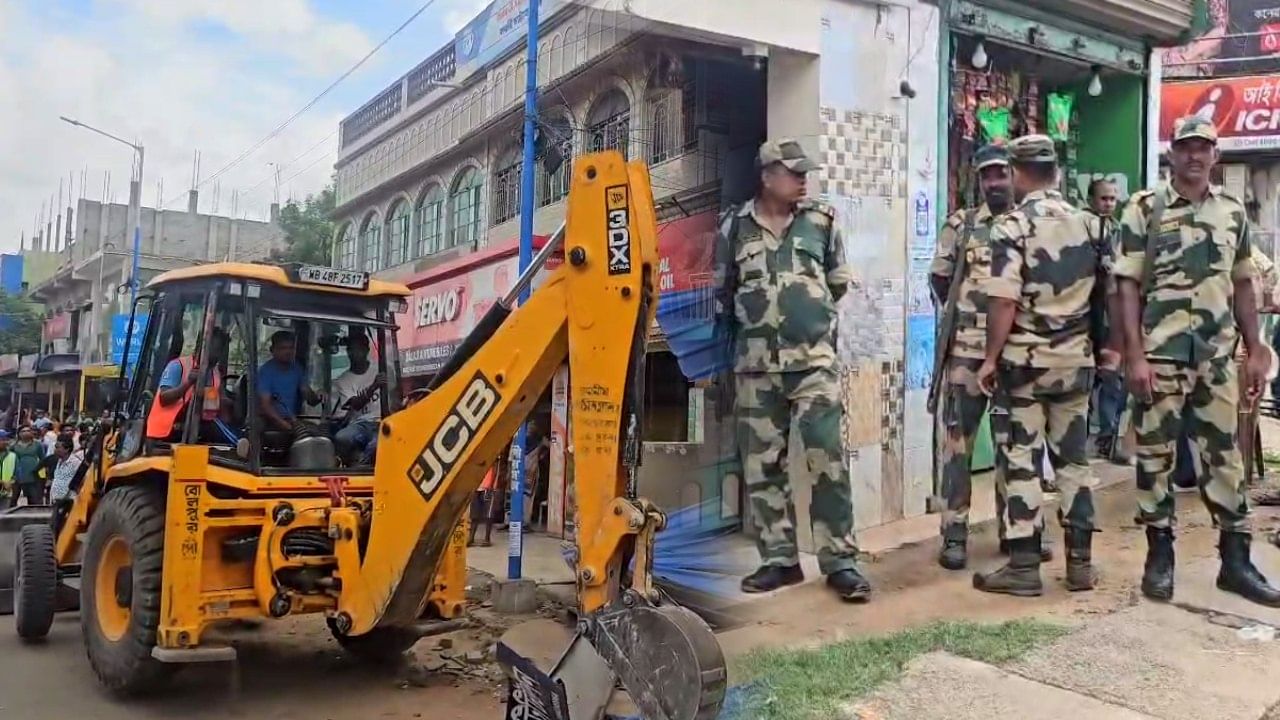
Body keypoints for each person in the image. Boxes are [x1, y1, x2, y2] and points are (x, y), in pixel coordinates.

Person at [1115, 116, 1280, 607]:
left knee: (1224, 458)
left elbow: (1243, 283)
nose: (1193, 155)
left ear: (1215, 155)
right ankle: (1159, 558)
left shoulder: (1232, 212)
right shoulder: (1144, 209)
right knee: (1155, 457)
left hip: (1215, 358)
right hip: (1160, 356)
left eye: (1202, 147)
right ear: (1172, 152)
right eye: (1185, 146)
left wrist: (1254, 348)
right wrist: (1134, 356)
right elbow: (1124, 284)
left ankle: (1235, 561)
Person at [714, 138, 871, 601]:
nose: (803, 179)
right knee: (763, 467)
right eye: (793, 172)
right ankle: (779, 559)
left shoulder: (821, 222)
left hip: (813, 364)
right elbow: (725, 293)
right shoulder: (735, 228)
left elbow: (836, 285)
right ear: (767, 176)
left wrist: (806, 322)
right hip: (756, 369)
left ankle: (841, 560)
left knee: (827, 459)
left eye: (805, 172)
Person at [973, 135, 1103, 597]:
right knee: (1074, 464)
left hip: (1024, 368)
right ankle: (1081, 566)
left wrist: (989, 358)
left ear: (1018, 173)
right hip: (1074, 363)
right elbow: (1104, 297)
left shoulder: (1011, 227)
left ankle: (1025, 568)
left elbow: (1003, 300)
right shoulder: (1090, 224)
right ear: (1055, 172)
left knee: (1023, 462)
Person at [931, 144, 1047, 570]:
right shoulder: (962, 226)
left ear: (1015, 175)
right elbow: (940, 278)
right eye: (987, 176)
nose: (995, 182)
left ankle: (1017, 533)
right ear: (978, 180)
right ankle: (955, 535)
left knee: (1015, 448)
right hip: (965, 357)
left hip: (1017, 356)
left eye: (1001, 174)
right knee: (957, 450)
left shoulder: (1030, 225)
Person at [1083, 179, 1128, 462]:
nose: (1109, 204)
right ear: (1091, 199)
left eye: (1113, 199)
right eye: (1104, 198)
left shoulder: (1118, 229)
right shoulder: (1080, 227)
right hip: (1086, 315)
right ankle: (1080, 441)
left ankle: (1108, 440)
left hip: (1110, 316)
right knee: (1085, 381)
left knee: (1112, 379)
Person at [147, 328, 232, 442]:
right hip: (167, 432)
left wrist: (224, 403)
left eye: (220, 351)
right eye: (216, 349)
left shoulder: (215, 374)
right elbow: (164, 399)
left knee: (218, 427)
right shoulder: (178, 366)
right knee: (218, 429)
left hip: (196, 429)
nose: (218, 355)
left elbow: (216, 409)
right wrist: (188, 383)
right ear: (202, 346)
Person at [331, 332, 384, 465]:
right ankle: (357, 467)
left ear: (366, 350)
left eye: (358, 349)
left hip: (382, 421)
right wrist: (374, 386)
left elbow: (395, 395)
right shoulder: (343, 380)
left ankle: (363, 465)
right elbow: (356, 404)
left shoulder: (381, 369)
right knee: (342, 437)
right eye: (351, 350)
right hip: (360, 424)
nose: (354, 353)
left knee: (378, 444)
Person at [257, 330, 322, 432]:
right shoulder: (265, 372)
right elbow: (266, 406)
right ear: (272, 350)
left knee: (318, 433)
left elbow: (310, 399)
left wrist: (318, 395)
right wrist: (286, 426)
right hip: (269, 420)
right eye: (283, 348)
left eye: (291, 348)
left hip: (292, 419)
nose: (288, 352)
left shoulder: (297, 368)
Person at [10, 427, 44, 507]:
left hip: (34, 474)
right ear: (19, 434)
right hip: (18, 474)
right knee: (13, 499)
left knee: (34, 500)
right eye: (23, 431)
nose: (26, 432)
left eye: (28, 430)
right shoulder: (14, 445)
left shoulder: (37, 444)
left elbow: (43, 458)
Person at [48, 437, 82, 503]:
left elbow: (83, 480)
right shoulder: (59, 461)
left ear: (67, 449)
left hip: (69, 501)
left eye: (58, 447)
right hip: (57, 500)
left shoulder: (76, 463)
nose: (55, 449)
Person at [0, 431, 16, 505]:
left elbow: (17, 473)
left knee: (4, 515)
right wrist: (2, 482)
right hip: (4, 487)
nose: (5, 442)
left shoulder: (13, 456)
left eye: (6, 439)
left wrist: (11, 483)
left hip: (6, 494)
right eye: (2, 439)